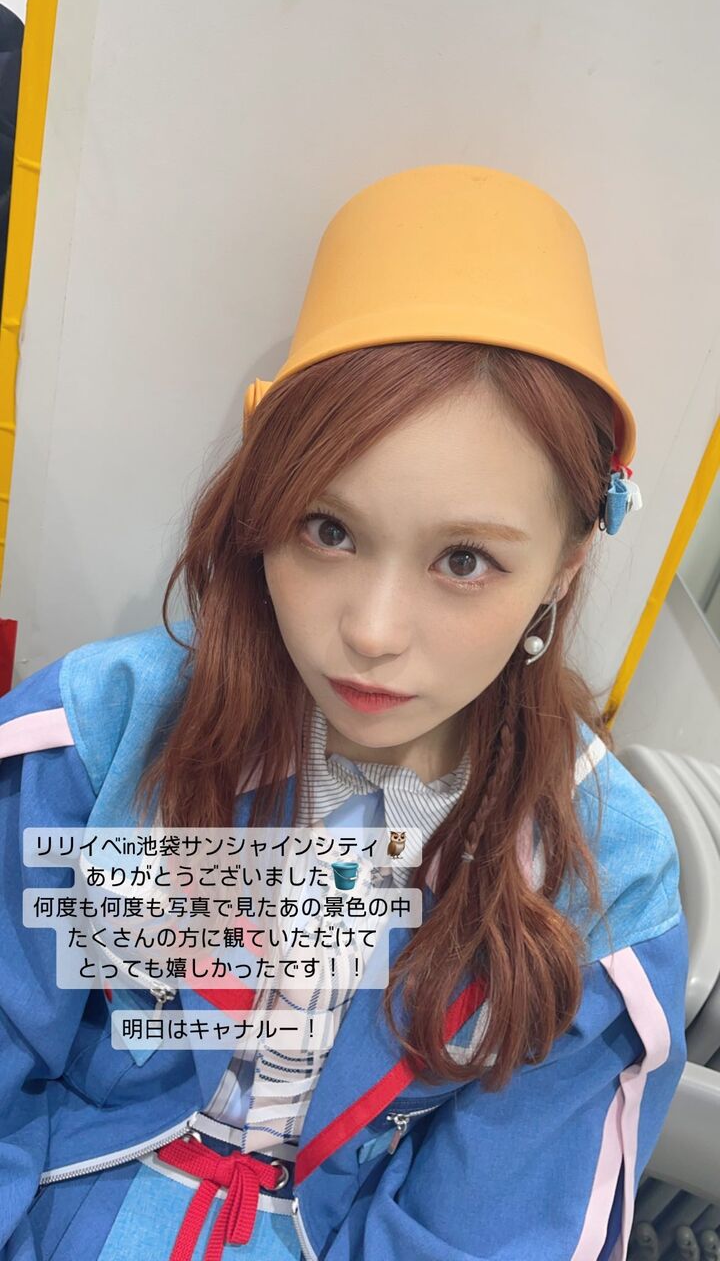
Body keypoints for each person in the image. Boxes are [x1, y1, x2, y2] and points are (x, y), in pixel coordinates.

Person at [0, 164, 687, 1261]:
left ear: (564, 565)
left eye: (464, 559)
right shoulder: (108, 735)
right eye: (327, 530)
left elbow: (494, 1228)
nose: (370, 630)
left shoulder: (597, 875)